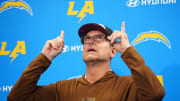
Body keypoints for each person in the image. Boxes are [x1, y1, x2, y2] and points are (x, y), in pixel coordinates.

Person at [7, 22, 165, 101]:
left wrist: (128, 51)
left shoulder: (129, 86)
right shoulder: (61, 89)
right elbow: (16, 97)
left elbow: (155, 93)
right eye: (87, 39)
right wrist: (44, 58)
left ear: (113, 51)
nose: (90, 42)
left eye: (99, 38)